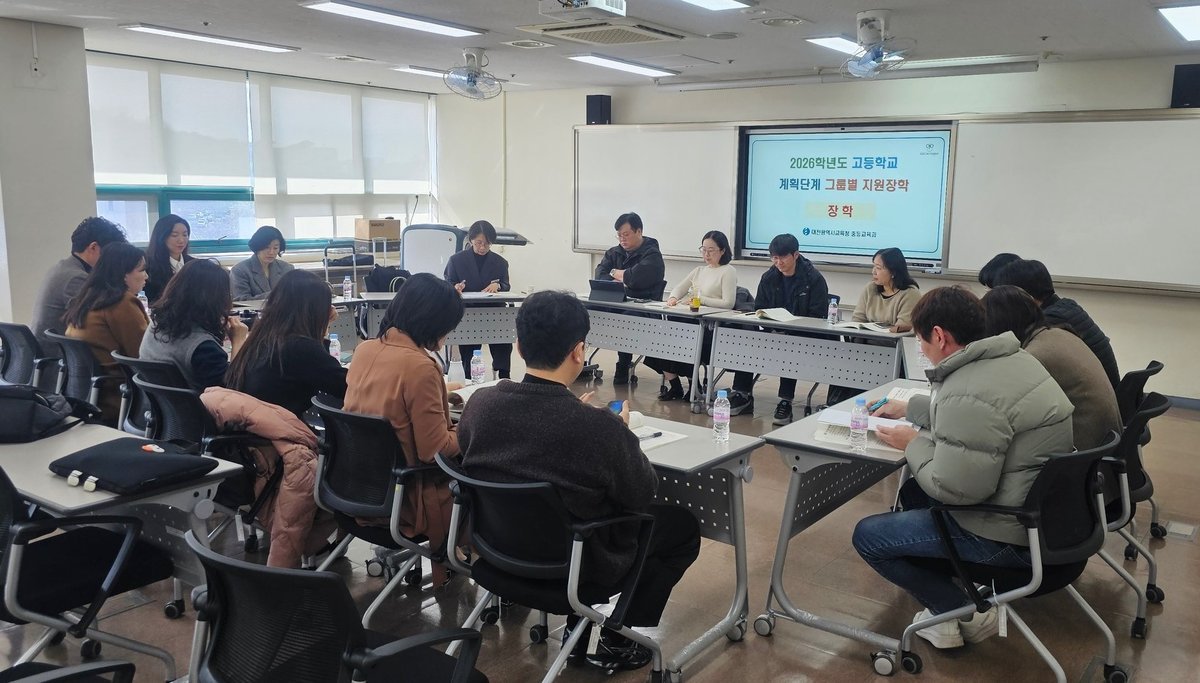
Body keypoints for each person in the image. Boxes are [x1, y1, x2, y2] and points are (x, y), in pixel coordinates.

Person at [457, 290, 700, 672]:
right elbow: (641, 494)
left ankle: (585, 626)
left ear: (518, 346)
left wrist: (586, 420)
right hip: (575, 569)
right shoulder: (599, 428)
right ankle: (620, 635)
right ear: (579, 351)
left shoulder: (480, 405)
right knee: (680, 527)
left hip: (496, 553)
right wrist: (619, 434)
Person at [852, 286, 1074, 651]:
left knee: (869, 536)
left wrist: (913, 443)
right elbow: (981, 417)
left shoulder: (968, 389)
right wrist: (911, 408)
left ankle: (958, 609)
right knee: (913, 493)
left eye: (921, 340)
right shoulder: (1015, 360)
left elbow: (953, 489)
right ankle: (947, 609)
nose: (921, 348)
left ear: (939, 336)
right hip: (1051, 523)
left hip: (1004, 537)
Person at [343, 273, 465, 585]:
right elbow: (434, 451)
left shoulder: (365, 350)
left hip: (357, 488)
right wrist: (470, 427)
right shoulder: (421, 366)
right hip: (407, 500)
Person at [983, 285, 1121, 450]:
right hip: (1104, 439)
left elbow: (1008, 413)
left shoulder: (1033, 355)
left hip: (1084, 448)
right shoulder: (1057, 333)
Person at [726, 233, 830, 425]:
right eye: (774, 258)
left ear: (796, 255)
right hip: (773, 332)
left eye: (782, 258)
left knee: (789, 345)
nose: (778, 262)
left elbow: (818, 316)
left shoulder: (813, 279)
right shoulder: (769, 277)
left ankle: (785, 401)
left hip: (803, 337)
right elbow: (760, 307)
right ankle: (742, 394)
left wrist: (792, 326)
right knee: (747, 340)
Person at [225, 270, 346, 419]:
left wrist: (321, 328)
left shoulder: (262, 337)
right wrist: (322, 327)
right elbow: (344, 387)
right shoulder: (300, 348)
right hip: (276, 429)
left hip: (253, 425)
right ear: (315, 310)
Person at [993, 258, 1120, 388]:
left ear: (1023, 295)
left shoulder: (1049, 322)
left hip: (1101, 394)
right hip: (1110, 391)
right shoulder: (1066, 306)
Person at [644, 230, 737, 400]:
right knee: (659, 340)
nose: (706, 254)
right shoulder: (699, 270)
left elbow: (728, 303)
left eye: (711, 250)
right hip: (689, 322)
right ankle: (675, 386)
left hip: (710, 328)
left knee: (684, 340)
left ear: (723, 250)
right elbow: (679, 288)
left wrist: (700, 300)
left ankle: (694, 386)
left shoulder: (727, 271)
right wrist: (673, 298)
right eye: (703, 250)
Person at [63, 242, 149, 425]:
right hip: (118, 397)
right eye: (142, 270)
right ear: (124, 274)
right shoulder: (122, 303)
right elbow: (143, 356)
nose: (146, 276)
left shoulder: (88, 298)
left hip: (87, 394)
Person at [140, 259, 248, 390]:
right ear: (216, 300)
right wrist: (238, 341)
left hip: (158, 402)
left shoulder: (157, 322)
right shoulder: (204, 348)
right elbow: (231, 391)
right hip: (199, 402)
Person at [31, 216, 127, 346]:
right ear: (93, 247)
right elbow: (99, 319)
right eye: (111, 254)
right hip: (56, 353)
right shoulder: (76, 278)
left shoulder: (63, 267)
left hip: (48, 350)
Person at [593, 212, 665, 385]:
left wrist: (618, 274)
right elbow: (600, 274)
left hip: (643, 308)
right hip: (615, 302)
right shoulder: (614, 252)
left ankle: (623, 363)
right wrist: (620, 276)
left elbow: (636, 279)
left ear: (639, 231)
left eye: (626, 234)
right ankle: (576, 359)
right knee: (582, 311)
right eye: (619, 235)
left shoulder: (652, 254)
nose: (622, 239)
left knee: (626, 317)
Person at [443, 219, 512, 380]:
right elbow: (447, 282)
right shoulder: (456, 260)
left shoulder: (500, 262)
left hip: (495, 311)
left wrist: (498, 285)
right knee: (468, 347)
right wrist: (455, 287)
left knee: (503, 341)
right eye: (479, 243)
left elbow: (506, 284)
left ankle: (503, 374)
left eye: (487, 244)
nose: (482, 247)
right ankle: (468, 375)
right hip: (468, 310)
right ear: (471, 239)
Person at [851, 247, 920, 333]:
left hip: (893, 341)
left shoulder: (910, 294)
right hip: (865, 339)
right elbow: (857, 319)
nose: (873, 272)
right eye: (874, 266)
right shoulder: (870, 288)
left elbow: (902, 329)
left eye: (878, 268)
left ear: (893, 272)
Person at [230, 225, 294, 301]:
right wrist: (274, 295)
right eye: (267, 247)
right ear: (257, 247)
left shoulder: (287, 268)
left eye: (275, 248)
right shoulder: (240, 270)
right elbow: (241, 300)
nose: (271, 252)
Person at [142, 214, 195, 304]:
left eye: (185, 235)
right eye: (174, 235)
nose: (181, 240)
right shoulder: (148, 266)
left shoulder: (193, 264)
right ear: (162, 237)